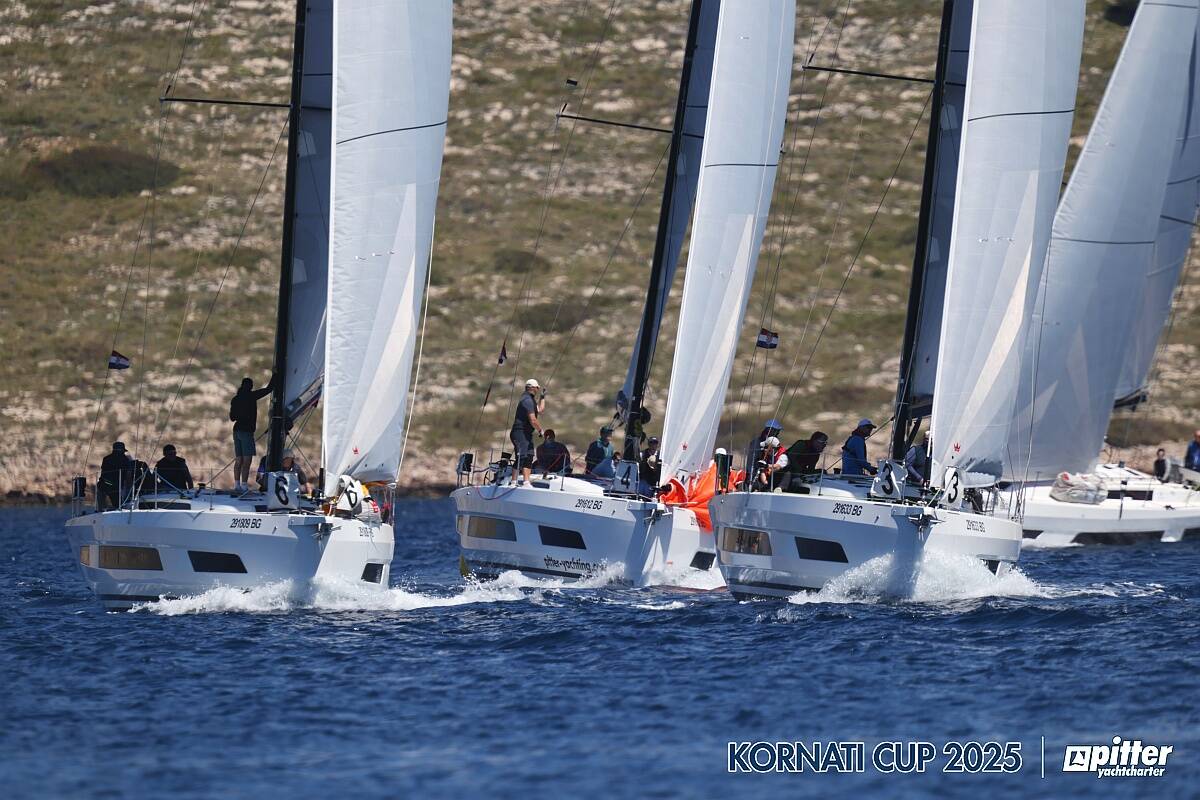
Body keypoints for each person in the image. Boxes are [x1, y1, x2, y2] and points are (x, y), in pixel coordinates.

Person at [229, 374, 275, 492]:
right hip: (246, 432)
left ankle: (237, 485)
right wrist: (275, 375)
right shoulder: (251, 396)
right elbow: (269, 389)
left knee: (238, 460)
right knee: (247, 460)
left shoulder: (235, 399)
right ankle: (244, 486)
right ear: (251, 386)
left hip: (236, 430)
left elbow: (232, 418)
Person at [510, 378, 545, 484]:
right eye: (538, 388)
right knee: (521, 456)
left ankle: (526, 482)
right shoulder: (527, 400)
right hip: (519, 433)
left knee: (529, 456)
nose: (538, 390)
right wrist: (540, 431)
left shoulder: (531, 400)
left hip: (527, 434)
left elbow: (540, 410)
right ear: (533, 388)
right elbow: (533, 420)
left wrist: (543, 397)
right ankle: (513, 481)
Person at [99, 441, 134, 510]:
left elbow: (103, 472)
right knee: (118, 504)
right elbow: (128, 474)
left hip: (104, 483)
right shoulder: (125, 459)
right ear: (122, 451)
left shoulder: (106, 459)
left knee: (100, 491)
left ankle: (100, 509)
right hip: (117, 486)